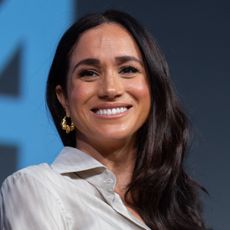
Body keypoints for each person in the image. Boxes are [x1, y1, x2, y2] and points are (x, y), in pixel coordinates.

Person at [0, 10, 207, 230]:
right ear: (64, 99)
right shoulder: (37, 187)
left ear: (153, 89)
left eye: (128, 70)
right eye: (89, 73)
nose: (110, 89)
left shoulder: (177, 210)